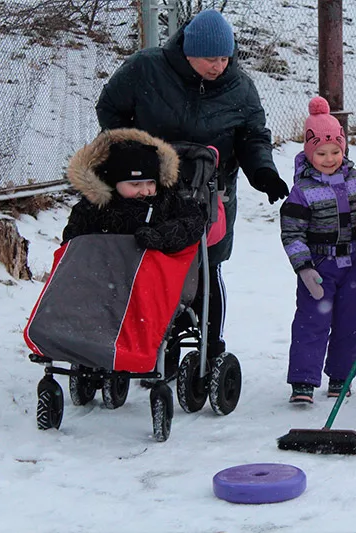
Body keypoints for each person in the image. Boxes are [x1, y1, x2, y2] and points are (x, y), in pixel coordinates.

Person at [95, 9, 288, 359]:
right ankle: (151, 339)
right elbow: (109, 107)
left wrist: (264, 173)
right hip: (152, 187)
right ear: (189, 53)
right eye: (211, 58)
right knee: (151, 260)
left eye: (225, 57)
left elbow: (253, 136)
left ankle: (209, 346)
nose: (219, 65)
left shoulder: (239, 87)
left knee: (206, 264)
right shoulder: (147, 68)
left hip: (210, 191)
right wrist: (131, 150)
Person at [280, 97, 356, 403]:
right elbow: (292, 231)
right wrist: (304, 267)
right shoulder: (303, 191)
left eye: (336, 151)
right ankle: (303, 380)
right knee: (312, 321)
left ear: (344, 148)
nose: (330, 158)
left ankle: (341, 376)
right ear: (309, 152)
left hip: (353, 262)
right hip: (319, 265)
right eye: (322, 153)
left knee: (352, 322)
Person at [62, 128, 205, 254]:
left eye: (150, 183)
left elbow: (194, 222)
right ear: (113, 184)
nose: (145, 191)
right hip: (105, 272)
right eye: (135, 184)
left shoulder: (166, 199)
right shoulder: (94, 207)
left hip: (151, 271)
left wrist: (162, 236)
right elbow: (72, 242)